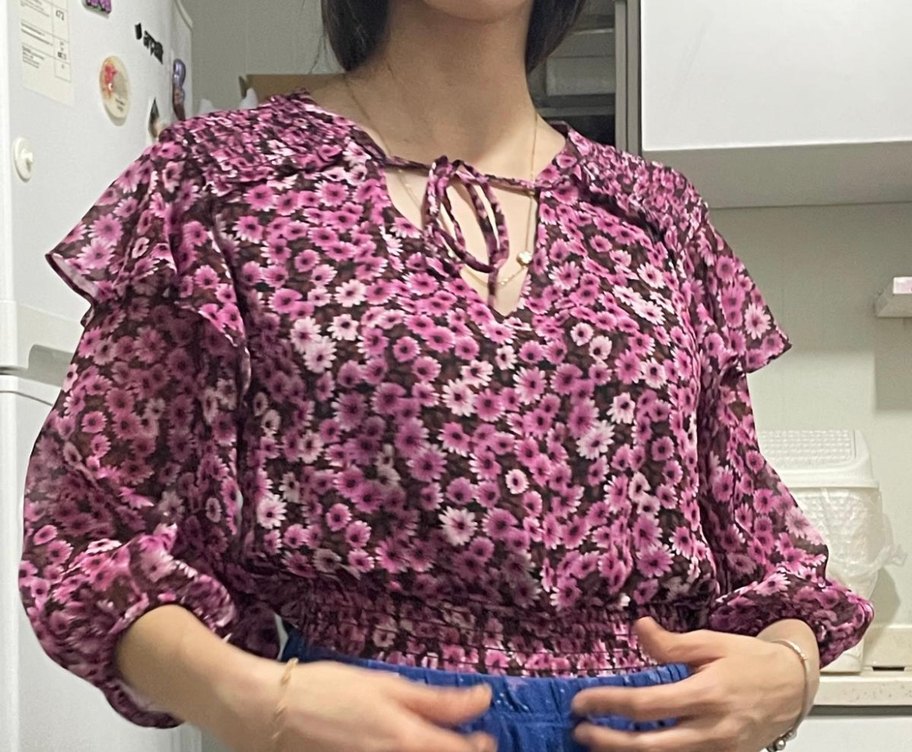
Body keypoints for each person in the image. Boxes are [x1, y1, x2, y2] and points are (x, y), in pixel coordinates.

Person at [18, 1, 874, 751]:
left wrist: (790, 669)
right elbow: (86, 535)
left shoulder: (655, 220)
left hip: (652, 727)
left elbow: (758, 540)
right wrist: (251, 699)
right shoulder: (222, 184)